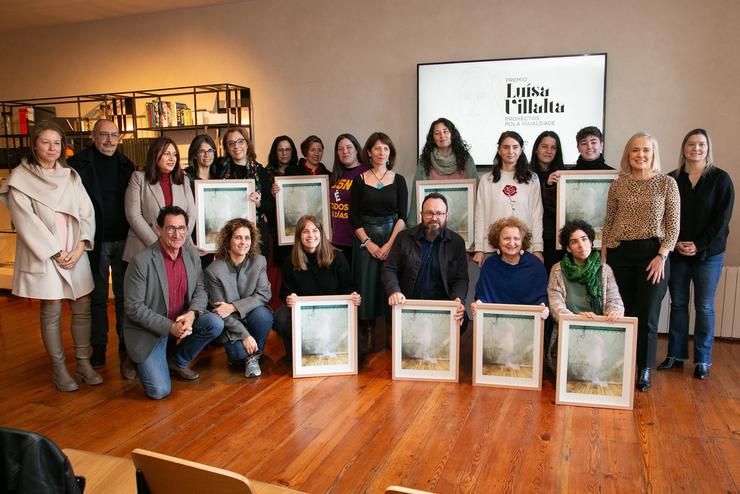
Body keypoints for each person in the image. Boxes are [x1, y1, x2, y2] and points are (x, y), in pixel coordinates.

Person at [0, 121, 102, 391]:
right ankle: (59, 369)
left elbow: (86, 213)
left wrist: (80, 247)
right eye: (46, 142)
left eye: (57, 143)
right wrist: (56, 252)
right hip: (46, 253)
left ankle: (83, 362)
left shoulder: (70, 176)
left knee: (82, 303)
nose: (52, 148)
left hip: (74, 249)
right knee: (53, 307)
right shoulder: (21, 177)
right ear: (34, 145)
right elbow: (25, 221)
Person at [602, 132, 680, 392]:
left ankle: (643, 369)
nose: (640, 155)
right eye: (635, 150)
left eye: (646, 150)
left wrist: (662, 255)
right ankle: (622, 364)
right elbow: (609, 222)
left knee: (647, 315)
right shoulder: (618, 185)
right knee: (621, 312)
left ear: (653, 154)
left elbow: (673, 225)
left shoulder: (667, 183)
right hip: (619, 254)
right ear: (628, 154)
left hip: (653, 256)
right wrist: (604, 256)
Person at [123, 206, 224, 400]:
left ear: (187, 230)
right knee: (159, 391)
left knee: (215, 323)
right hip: (151, 331)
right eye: (170, 228)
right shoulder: (141, 261)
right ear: (158, 230)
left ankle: (176, 361)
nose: (177, 234)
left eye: (181, 228)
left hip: (182, 321)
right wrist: (170, 327)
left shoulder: (192, 255)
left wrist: (192, 313)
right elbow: (133, 308)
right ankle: (139, 358)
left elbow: (201, 289)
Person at [658, 129, 735, 380]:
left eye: (701, 144)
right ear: (683, 149)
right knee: (678, 304)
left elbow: (721, 221)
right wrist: (676, 243)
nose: (696, 149)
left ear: (708, 148)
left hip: (708, 254)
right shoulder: (672, 179)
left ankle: (703, 360)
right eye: (691, 144)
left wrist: (699, 245)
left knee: (703, 306)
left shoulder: (721, 179)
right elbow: (664, 217)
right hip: (677, 253)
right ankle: (675, 355)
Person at [68, 119, 134, 375]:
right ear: (93, 136)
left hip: (123, 240)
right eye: (103, 135)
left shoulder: (126, 165)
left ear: (119, 138)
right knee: (96, 298)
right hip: (92, 241)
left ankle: (126, 348)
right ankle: (98, 347)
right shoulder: (77, 165)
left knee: (124, 297)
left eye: (114, 135)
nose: (109, 140)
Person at [350, 132, 408, 350]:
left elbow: (403, 216)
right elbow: (353, 217)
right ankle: (369, 337)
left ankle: (392, 336)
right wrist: (368, 243)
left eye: (386, 148)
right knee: (367, 287)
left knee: (392, 285)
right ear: (369, 152)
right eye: (377, 148)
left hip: (393, 239)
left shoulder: (399, 180)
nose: (381, 152)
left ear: (390, 152)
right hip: (365, 241)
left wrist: (389, 244)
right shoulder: (359, 180)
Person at [273, 215, 360, 360]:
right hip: (305, 314)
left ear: (321, 233)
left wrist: (353, 296)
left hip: (331, 313)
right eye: (305, 231)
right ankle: (296, 356)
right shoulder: (291, 260)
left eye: (315, 230)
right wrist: (289, 297)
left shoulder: (337, 257)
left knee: (357, 355)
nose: (311, 235)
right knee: (280, 317)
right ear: (299, 236)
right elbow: (285, 290)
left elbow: (348, 287)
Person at [547, 220, 624, 372]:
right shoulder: (557, 270)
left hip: (599, 332)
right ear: (568, 248)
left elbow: (615, 300)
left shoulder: (604, 269)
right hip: (569, 332)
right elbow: (556, 306)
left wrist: (614, 311)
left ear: (590, 241)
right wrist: (576, 320)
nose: (581, 245)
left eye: (584, 239)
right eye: (574, 242)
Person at [382, 193, 467, 328]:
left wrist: (458, 299)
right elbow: (389, 268)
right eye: (429, 213)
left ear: (446, 215)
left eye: (439, 213)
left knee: (462, 319)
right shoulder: (403, 238)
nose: (434, 218)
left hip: (443, 306)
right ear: (421, 214)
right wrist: (394, 291)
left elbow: (461, 278)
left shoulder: (457, 242)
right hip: (408, 304)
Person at [204, 218, 273, 378]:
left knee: (264, 315)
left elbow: (264, 294)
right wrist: (246, 336)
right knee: (237, 354)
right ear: (228, 240)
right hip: (231, 324)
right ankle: (247, 354)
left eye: (247, 237)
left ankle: (253, 357)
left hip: (253, 315)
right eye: (238, 237)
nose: (243, 242)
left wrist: (233, 307)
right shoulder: (213, 270)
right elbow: (221, 311)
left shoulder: (259, 261)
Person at [473, 131, 544, 266]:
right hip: (492, 249)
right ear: (499, 150)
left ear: (521, 150)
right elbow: (480, 216)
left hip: (524, 247)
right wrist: (479, 249)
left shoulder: (532, 179)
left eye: (515, 147)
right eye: (506, 147)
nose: (510, 151)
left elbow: (537, 215)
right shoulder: (487, 180)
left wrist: (538, 248)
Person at [123, 136, 196, 263]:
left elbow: (191, 214)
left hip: (177, 249)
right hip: (145, 248)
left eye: (174, 154)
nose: (172, 158)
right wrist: (160, 245)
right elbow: (133, 216)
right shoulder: (138, 178)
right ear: (155, 155)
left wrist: (179, 240)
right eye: (167, 153)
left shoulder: (183, 180)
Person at [471, 217, 549, 318]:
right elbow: (482, 296)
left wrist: (543, 306)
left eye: (516, 238)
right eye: (506, 238)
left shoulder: (535, 265)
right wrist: (478, 305)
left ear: (522, 241)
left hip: (528, 322)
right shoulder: (490, 265)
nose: (511, 243)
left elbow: (542, 297)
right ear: (498, 241)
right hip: (495, 322)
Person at [214, 127, 275, 256]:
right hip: (229, 235)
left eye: (240, 141)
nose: (236, 146)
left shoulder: (260, 172)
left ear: (247, 144)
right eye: (231, 143)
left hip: (256, 237)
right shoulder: (219, 169)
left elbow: (271, 206)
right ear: (227, 148)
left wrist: (259, 203)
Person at [408, 118, 477, 226]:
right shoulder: (425, 161)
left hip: (463, 222)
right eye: (437, 133)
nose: (442, 136)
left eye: (445, 131)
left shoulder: (466, 159)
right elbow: (416, 193)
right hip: (433, 223)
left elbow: (476, 191)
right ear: (433, 138)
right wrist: (413, 223)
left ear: (452, 134)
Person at [530, 130, 565, 271]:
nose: (549, 151)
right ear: (536, 149)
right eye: (544, 146)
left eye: (553, 147)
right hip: (530, 238)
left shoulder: (563, 175)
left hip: (554, 239)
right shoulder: (525, 174)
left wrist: (550, 186)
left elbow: (559, 209)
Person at [329, 133, 367, 264]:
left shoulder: (366, 173)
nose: (345, 151)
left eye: (349, 147)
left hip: (357, 240)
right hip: (336, 240)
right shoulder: (335, 175)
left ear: (357, 149)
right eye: (340, 149)